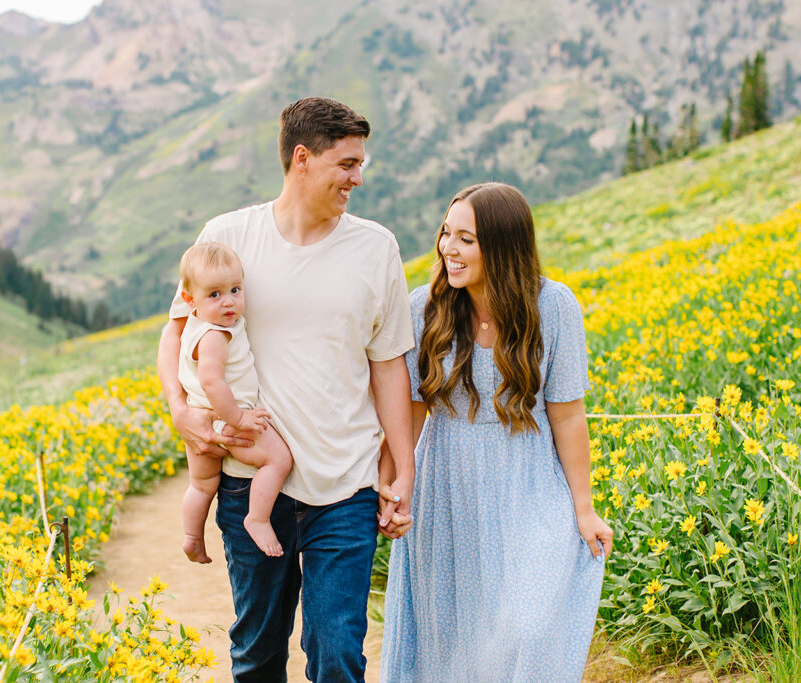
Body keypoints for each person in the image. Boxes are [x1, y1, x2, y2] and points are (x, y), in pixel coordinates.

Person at [157, 96, 416, 682]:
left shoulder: (377, 247)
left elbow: (390, 368)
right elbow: (176, 335)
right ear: (302, 158)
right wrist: (179, 409)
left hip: (345, 485)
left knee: (337, 657)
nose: (358, 177)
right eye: (346, 164)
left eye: (360, 164)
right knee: (258, 653)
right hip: (249, 488)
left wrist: (403, 469)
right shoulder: (226, 237)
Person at [380, 182, 613, 681]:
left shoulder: (553, 306)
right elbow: (412, 412)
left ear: (503, 246)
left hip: (528, 482)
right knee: (449, 633)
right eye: (446, 234)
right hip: (447, 484)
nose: (448, 249)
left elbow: (568, 416)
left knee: (526, 627)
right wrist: (401, 485)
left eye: (466, 239)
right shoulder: (426, 307)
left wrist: (583, 506)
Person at [176, 241, 293, 561]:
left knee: (201, 485)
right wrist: (239, 419)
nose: (228, 302)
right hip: (229, 417)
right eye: (214, 294)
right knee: (279, 460)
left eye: (235, 290)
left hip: (201, 418)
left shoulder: (196, 325)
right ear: (190, 299)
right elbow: (211, 381)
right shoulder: (215, 335)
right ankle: (257, 517)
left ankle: (192, 535)